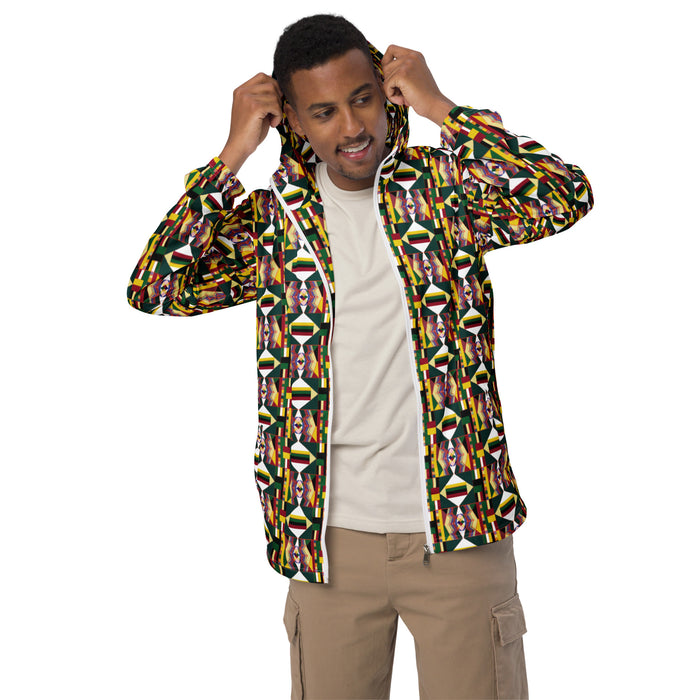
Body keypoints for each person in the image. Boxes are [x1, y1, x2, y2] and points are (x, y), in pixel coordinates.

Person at [126, 13, 593, 700]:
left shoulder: (445, 192)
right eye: (323, 112)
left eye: (362, 99)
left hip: (460, 530)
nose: (351, 127)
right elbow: (155, 287)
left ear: (385, 89)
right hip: (327, 541)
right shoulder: (275, 224)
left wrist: (441, 108)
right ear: (292, 120)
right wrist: (230, 156)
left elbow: (564, 194)